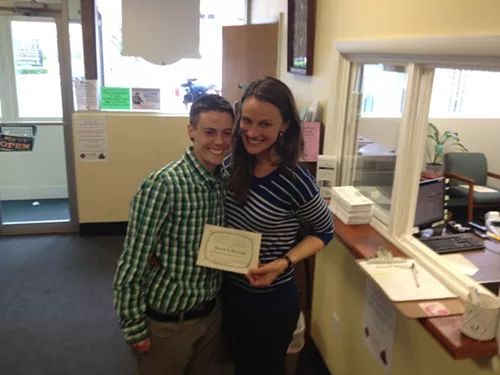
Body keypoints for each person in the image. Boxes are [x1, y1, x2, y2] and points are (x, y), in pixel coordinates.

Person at [113, 94, 234, 375]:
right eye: (209, 132)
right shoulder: (163, 185)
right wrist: (133, 326)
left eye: (227, 133)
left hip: (210, 314)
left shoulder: (223, 182)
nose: (219, 141)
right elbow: (132, 262)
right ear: (191, 131)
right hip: (169, 323)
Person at [222, 77, 335, 375]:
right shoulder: (231, 163)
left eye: (265, 124)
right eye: (246, 121)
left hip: (270, 302)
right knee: (240, 365)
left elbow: (325, 230)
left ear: (284, 125)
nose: (253, 132)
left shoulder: (295, 178)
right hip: (228, 293)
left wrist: (285, 262)